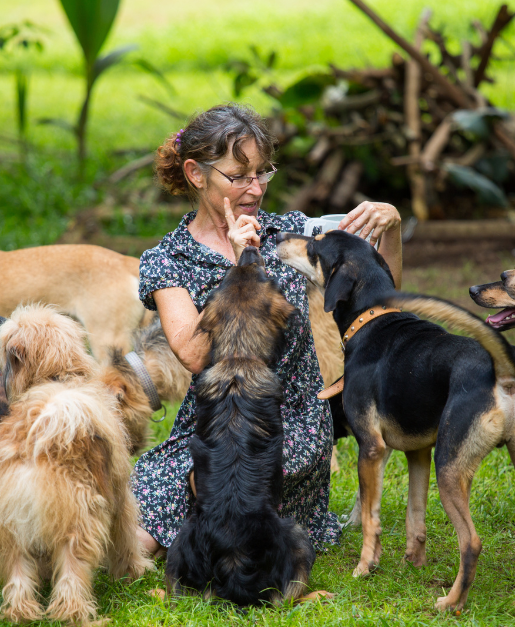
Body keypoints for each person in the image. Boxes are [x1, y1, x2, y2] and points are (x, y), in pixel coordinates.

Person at [132, 104, 402, 559]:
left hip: (284, 429)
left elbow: (382, 297)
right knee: (130, 531)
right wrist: (242, 266)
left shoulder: (290, 233)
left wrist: (390, 229)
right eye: (239, 176)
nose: (255, 189)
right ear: (197, 174)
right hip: (209, 427)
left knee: (186, 525)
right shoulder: (168, 260)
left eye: (262, 172)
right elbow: (196, 356)